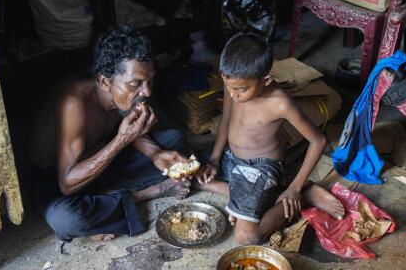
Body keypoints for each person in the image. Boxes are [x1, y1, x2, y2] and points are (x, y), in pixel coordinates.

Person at [28, 24, 191, 242]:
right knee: (66, 219)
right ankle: (148, 193)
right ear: (105, 82)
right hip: (59, 180)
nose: (147, 91)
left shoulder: (122, 92)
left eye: (149, 81)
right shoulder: (74, 102)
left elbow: (129, 130)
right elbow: (67, 183)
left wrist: (154, 154)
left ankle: (106, 204)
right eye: (136, 84)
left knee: (174, 139)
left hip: (100, 162)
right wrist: (121, 140)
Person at [195, 33, 345, 245]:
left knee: (247, 237)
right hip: (233, 159)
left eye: (241, 89)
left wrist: (294, 188)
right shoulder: (234, 86)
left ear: (266, 80)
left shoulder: (280, 103)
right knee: (191, 174)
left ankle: (305, 195)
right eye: (228, 86)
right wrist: (214, 159)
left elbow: (317, 140)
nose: (233, 94)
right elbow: (226, 122)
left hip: (261, 168)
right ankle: (247, 199)